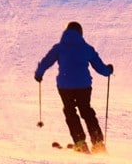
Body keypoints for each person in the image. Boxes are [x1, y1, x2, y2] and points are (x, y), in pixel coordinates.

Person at [34, 21, 114, 152]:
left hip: (65, 86)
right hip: (84, 86)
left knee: (70, 112)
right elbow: (100, 67)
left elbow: (46, 61)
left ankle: (80, 143)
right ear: (80, 33)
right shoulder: (86, 48)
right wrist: (108, 71)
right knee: (86, 111)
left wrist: (39, 74)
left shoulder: (59, 48)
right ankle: (98, 143)